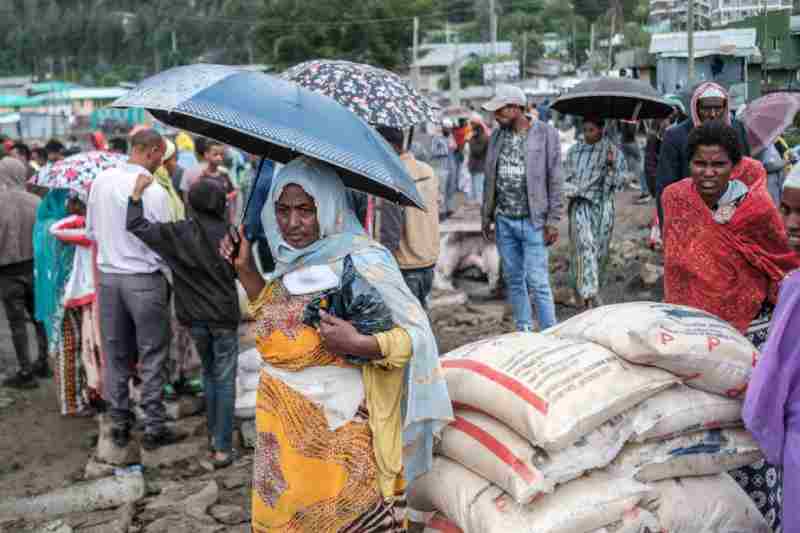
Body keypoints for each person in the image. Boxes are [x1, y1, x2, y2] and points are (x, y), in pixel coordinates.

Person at [221, 157, 452, 532]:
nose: (292, 224)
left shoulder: (362, 260)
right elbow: (274, 321)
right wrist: (245, 269)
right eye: (282, 211)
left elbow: (416, 336)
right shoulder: (288, 260)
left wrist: (360, 343)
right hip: (281, 436)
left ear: (327, 206)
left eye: (305, 211)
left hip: (340, 438)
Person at [662, 121, 800, 531]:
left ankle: (765, 513)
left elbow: (779, 259)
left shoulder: (755, 207)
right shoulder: (675, 200)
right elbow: (675, 264)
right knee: (705, 428)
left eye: (718, 164)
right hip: (696, 333)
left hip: (753, 335)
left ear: (734, 166)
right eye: (699, 163)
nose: (707, 172)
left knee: (755, 428)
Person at [127, 177, 241, 468]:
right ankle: (222, 446)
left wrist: (136, 196)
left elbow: (137, 225)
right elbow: (242, 272)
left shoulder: (177, 233)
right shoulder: (231, 235)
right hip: (225, 317)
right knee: (224, 379)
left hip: (194, 318)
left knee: (210, 375)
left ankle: (215, 439)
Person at [86, 129, 184, 450]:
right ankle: (154, 426)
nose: (163, 162)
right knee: (152, 354)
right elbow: (163, 241)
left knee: (115, 353)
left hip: (110, 278)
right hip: (144, 279)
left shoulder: (101, 181)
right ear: (153, 152)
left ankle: (119, 422)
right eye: (161, 156)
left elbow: (92, 231)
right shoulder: (152, 189)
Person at [744, 169, 800, 533]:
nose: (792, 223)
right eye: (786, 210)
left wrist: (775, 447)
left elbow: (766, 391)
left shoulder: (795, 290)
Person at [482, 84, 562, 331]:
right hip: (504, 219)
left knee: (538, 281)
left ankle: (551, 333)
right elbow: (489, 177)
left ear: (516, 108)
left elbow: (555, 178)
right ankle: (524, 330)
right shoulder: (496, 136)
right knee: (514, 279)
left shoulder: (546, 134)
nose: (496, 116)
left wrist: (553, 220)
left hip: (534, 221)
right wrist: (486, 217)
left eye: (500, 111)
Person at [655, 82, 751, 228]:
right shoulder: (676, 136)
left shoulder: (737, 130)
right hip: (690, 218)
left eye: (718, 108)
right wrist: (668, 229)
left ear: (725, 108)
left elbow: (747, 173)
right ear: (696, 108)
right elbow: (665, 187)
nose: (712, 114)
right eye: (706, 108)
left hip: (732, 216)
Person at [564, 117, 627, 310]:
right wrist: (573, 190)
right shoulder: (575, 151)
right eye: (585, 130)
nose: (587, 134)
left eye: (591, 130)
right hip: (581, 205)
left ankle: (589, 290)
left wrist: (610, 168)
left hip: (603, 208)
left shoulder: (613, 152)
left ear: (601, 129)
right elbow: (565, 178)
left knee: (599, 251)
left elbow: (620, 182)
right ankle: (588, 295)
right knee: (585, 246)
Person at [49, 193, 104, 415]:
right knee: (75, 347)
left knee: (81, 347)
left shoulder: (83, 230)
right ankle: (73, 402)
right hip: (73, 296)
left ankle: (82, 397)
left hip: (74, 295)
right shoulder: (81, 228)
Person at [376, 126, 440, 308]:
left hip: (406, 264)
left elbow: (390, 231)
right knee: (421, 315)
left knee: (408, 322)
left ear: (388, 146)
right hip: (429, 257)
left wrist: (380, 265)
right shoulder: (428, 171)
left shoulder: (392, 177)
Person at [0, 188, 49, 389]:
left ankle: (26, 371)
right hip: (35, 267)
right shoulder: (36, 201)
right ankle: (44, 362)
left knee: (17, 323)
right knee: (39, 317)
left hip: (9, 271)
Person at [180, 140, 235, 219]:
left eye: (221, 154)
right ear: (206, 155)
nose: (219, 157)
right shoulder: (201, 176)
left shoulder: (224, 174)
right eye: (215, 154)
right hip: (200, 218)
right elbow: (188, 199)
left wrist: (225, 197)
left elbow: (233, 192)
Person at [432, 119, 458, 219]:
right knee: (442, 191)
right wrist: (444, 150)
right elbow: (433, 152)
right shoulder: (436, 138)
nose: (449, 130)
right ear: (443, 127)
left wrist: (454, 146)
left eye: (450, 128)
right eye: (447, 128)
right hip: (442, 168)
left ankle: (449, 209)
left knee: (451, 189)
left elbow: (455, 147)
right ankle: (441, 211)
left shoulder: (451, 137)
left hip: (452, 166)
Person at [467, 112, 490, 204]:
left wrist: (470, 140)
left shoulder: (482, 136)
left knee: (479, 190)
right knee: (474, 189)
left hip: (480, 167)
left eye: (472, 123)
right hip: (475, 167)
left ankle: (480, 209)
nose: (471, 125)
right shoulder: (477, 135)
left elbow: (477, 151)